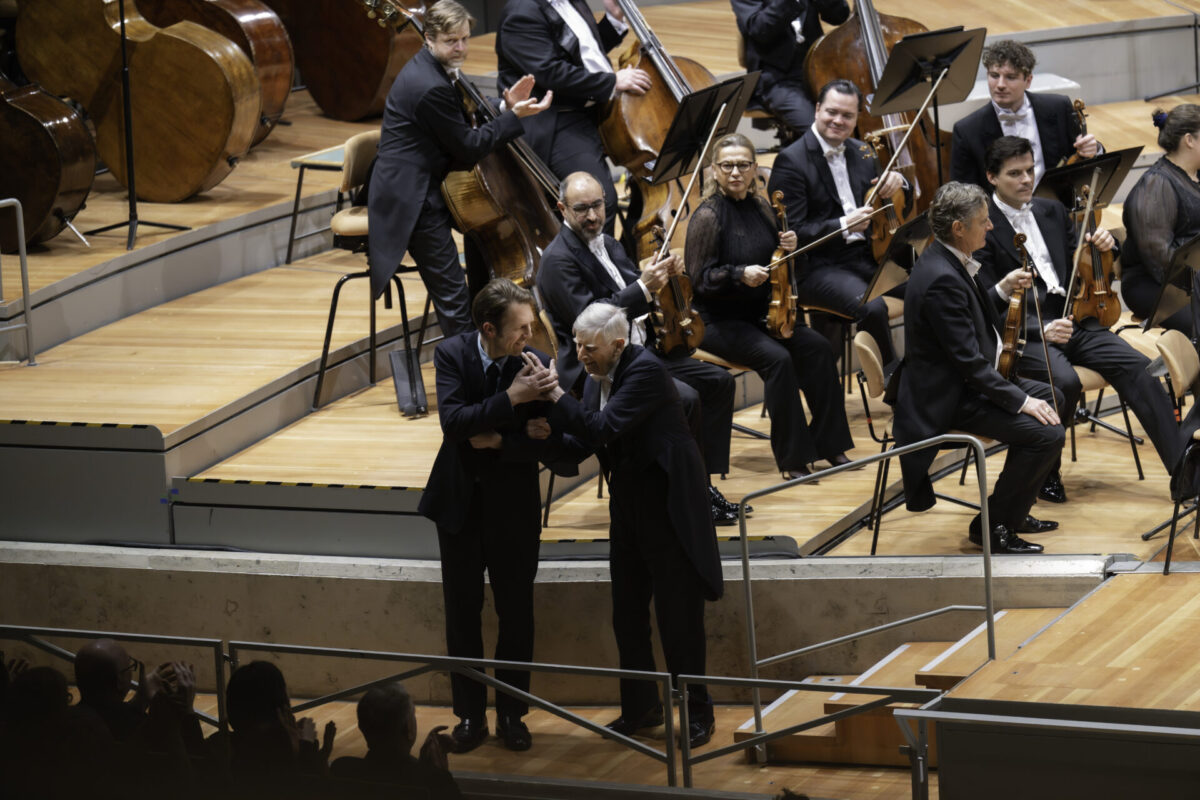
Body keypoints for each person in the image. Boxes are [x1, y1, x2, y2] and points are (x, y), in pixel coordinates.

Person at [544, 301, 722, 749]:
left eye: (589, 348)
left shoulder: (643, 371)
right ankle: (642, 708)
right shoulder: (593, 376)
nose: (580, 356)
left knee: (678, 619)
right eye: (577, 346)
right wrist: (543, 442)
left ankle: (699, 711)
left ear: (618, 345)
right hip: (628, 507)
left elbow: (601, 427)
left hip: (668, 508)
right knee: (627, 614)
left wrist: (554, 397)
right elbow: (583, 439)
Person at [977, 136, 1181, 503]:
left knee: (1137, 365)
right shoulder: (981, 227)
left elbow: (1085, 254)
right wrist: (1040, 329)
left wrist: (1107, 244)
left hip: (1077, 318)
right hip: (1025, 334)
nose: (1026, 180)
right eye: (1014, 174)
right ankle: (1045, 472)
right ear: (992, 177)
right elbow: (984, 303)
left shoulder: (1051, 210)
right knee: (1065, 382)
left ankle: (1185, 472)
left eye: (1029, 171)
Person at [536, 170, 743, 524]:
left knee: (719, 383)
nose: (592, 216)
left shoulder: (610, 243)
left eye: (598, 205)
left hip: (640, 352)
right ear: (561, 209)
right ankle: (687, 493)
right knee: (687, 399)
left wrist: (664, 274)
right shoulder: (557, 261)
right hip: (602, 367)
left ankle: (700, 482)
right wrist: (645, 288)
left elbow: (639, 290)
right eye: (582, 208)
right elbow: (594, 324)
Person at [418, 277, 567, 754]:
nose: (530, 336)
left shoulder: (537, 363)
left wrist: (505, 439)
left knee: (516, 614)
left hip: (513, 508)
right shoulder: (452, 355)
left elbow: (550, 446)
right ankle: (469, 715)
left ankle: (511, 713)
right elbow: (453, 424)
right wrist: (513, 401)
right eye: (520, 329)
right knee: (462, 617)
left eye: (531, 326)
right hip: (459, 505)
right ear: (488, 328)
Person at [892, 181, 1064, 554]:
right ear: (959, 228)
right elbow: (968, 362)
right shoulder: (940, 277)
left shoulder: (946, 258)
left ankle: (1013, 509)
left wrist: (1000, 289)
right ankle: (994, 526)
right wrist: (1020, 401)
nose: (990, 227)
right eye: (983, 221)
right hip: (947, 397)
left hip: (964, 383)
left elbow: (965, 316)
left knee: (1055, 398)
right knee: (1045, 433)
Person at [368, 0, 551, 335]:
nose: (462, 48)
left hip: (434, 181)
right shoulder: (429, 85)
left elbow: (461, 115)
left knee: (487, 237)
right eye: (452, 41)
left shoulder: (438, 69)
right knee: (453, 297)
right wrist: (512, 118)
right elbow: (468, 146)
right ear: (429, 38)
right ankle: (468, 375)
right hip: (411, 199)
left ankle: (489, 344)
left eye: (466, 38)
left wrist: (502, 105)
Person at [685, 132, 855, 479]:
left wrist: (789, 244)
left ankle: (829, 444)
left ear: (754, 169)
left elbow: (781, 263)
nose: (736, 173)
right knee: (778, 360)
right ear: (714, 171)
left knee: (818, 348)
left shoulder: (763, 207)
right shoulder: (707, 216)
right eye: (727, 165)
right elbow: (699, 279)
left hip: (764, 314)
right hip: (718, 321)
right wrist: (737, 274)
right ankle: (793, 458)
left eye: (743, 165)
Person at [767, 78, 907, 367]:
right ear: (817, 109)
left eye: (848, 115)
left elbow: (888, 201)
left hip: (868, 258)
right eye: (832, 112)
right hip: (819, 266)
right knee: (873, 307)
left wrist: (898, 181)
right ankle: (894, 386)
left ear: (857, 117)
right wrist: (843, 224)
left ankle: (931, 374)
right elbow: (791, 234)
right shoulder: (790, 161)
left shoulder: (863, 152)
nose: (838, 121)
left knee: (933, 286)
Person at [495, 0, 651, 232]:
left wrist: (613, 21)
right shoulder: (521, 13)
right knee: (597, 203)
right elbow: (550, 72)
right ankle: (588, 266)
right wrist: (612, 81)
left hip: (587, 107)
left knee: (649, 173)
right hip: (554, 117)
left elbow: (581, 54)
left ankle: (623, 253)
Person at [950, 40, 1101, 191]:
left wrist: (1094, 149)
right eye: (994, 75)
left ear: (1028, 81)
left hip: (1056, 209)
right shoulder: (967, 131)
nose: (1000, 84)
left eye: (1011, 77)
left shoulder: (1058, 108)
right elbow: (965, 196)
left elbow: (1082, 160)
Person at [1121, 104, 1200, 336]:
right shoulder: (1156, 185)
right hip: (1158, 284)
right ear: (1189, 140)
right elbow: (1161, 261)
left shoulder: (1195, 174)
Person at [731, 0, 850, 136]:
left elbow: (840, 15)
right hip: (777, 79)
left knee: (853, 115)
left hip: (817, 71)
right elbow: (760, 30)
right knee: (824, 130)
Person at [330, 682, 464, 799]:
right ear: (409, 729)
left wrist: (423, 766)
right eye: (413, 716)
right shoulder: (434, 781)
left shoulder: (342, 770)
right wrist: (438, 772)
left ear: (361, 728)